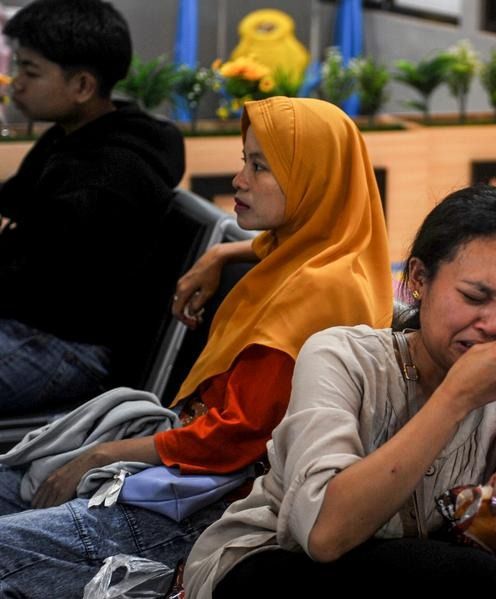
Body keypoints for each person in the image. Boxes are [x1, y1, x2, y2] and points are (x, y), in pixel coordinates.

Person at [0, 97, 394, 596]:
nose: (239, 179)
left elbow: (232, 440)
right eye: (243, 160)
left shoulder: (318, 292)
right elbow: (268, 247)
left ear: (311, 179)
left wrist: (101, 453)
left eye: (259, 166)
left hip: (205, 502)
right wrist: (224, 251)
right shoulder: (324, 254)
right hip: (189, 469)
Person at [184, 184, 496, 599]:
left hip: (412, 576)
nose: (492, 325)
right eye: (473, 297)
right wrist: (456, 398)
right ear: (420, 280)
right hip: (278, 561)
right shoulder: (343, 358)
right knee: (463, 577)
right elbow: (325, 534)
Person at [0, 0, 186, 414]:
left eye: (30, 72)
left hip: (69, 347)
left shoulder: (114, 174)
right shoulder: (73, 135)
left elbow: (42, 276)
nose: (15, 83)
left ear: (82, 86)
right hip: (36, 320)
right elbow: (17, 199)